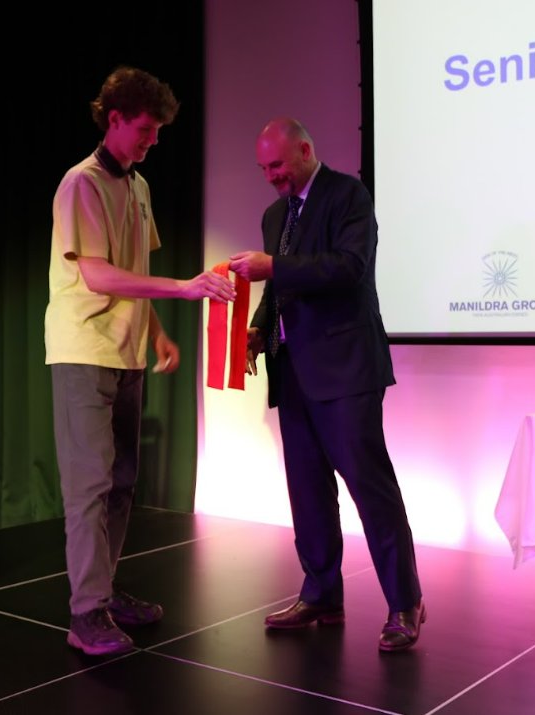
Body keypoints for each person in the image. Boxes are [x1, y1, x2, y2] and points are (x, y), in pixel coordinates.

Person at [44, 66, 235, 656]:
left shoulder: (140, 186)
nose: (153, 139)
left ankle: (104, 591)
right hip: (83, 351)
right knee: (90, 485)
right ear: (115, 118)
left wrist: (157, 336)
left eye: (158, 130)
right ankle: (85, 615)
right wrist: (185, 290)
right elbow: (98, 274)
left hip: (125, 353)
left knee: (123, 482)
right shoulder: (81, 184)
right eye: (146, 128)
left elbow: (136, 274)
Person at [228, 118, 424, 652]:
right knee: (307, 490)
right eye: (264, 168)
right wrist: (258, 328)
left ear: (306, 150)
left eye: (278, 165)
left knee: (370, 487)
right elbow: (281, 289)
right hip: (292, 371)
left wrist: (274, 267)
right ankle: (321, 594)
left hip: (346, 369)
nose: (271, 177)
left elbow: (348, 268)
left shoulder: (348, 195)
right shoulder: (275, 216)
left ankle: (404, 604)